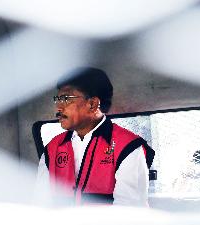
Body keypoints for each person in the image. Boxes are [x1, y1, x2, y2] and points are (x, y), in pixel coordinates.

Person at [36, 67, 155, 206]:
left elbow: (129, 214)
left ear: (92, 104)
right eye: (58, 99)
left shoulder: (128, 148)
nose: (58, 107)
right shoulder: (52, 149)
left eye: (66, 99)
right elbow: (40, 205)